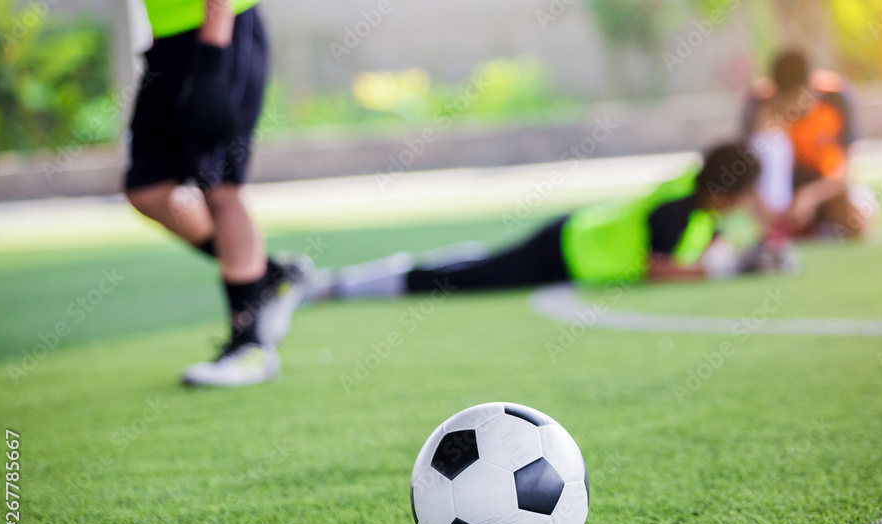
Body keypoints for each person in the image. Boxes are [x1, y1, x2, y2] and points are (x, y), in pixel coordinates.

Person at [308, 143, 793, 302]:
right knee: (456, 280)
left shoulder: (698, 195)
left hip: (569, 240)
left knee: (474, 267)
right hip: (561, 252)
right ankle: (341, 286)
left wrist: (753, 248)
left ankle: (464, 258)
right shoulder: (679, 211)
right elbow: (658, 269)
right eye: (747, 194)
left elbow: (711, 236)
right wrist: (734, 268)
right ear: (725, 193)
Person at [124, 0, 313, 388]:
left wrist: (211, 57)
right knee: (147, 189)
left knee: (222, 188)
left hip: (220, 32)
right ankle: (271, 274)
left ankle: (250, 346)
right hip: (169, 42)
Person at [742, 50, 873, 240]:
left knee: (854, 220)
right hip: (778, 198)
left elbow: (844, 174)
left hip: (822, 190)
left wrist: (810, 197)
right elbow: (746, 169)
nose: (792, 106)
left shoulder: (836, 97)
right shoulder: (760, 104)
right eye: (785, 98)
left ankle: (813, 227)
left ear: (809, 86)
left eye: (795, 97)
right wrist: (762, 206)